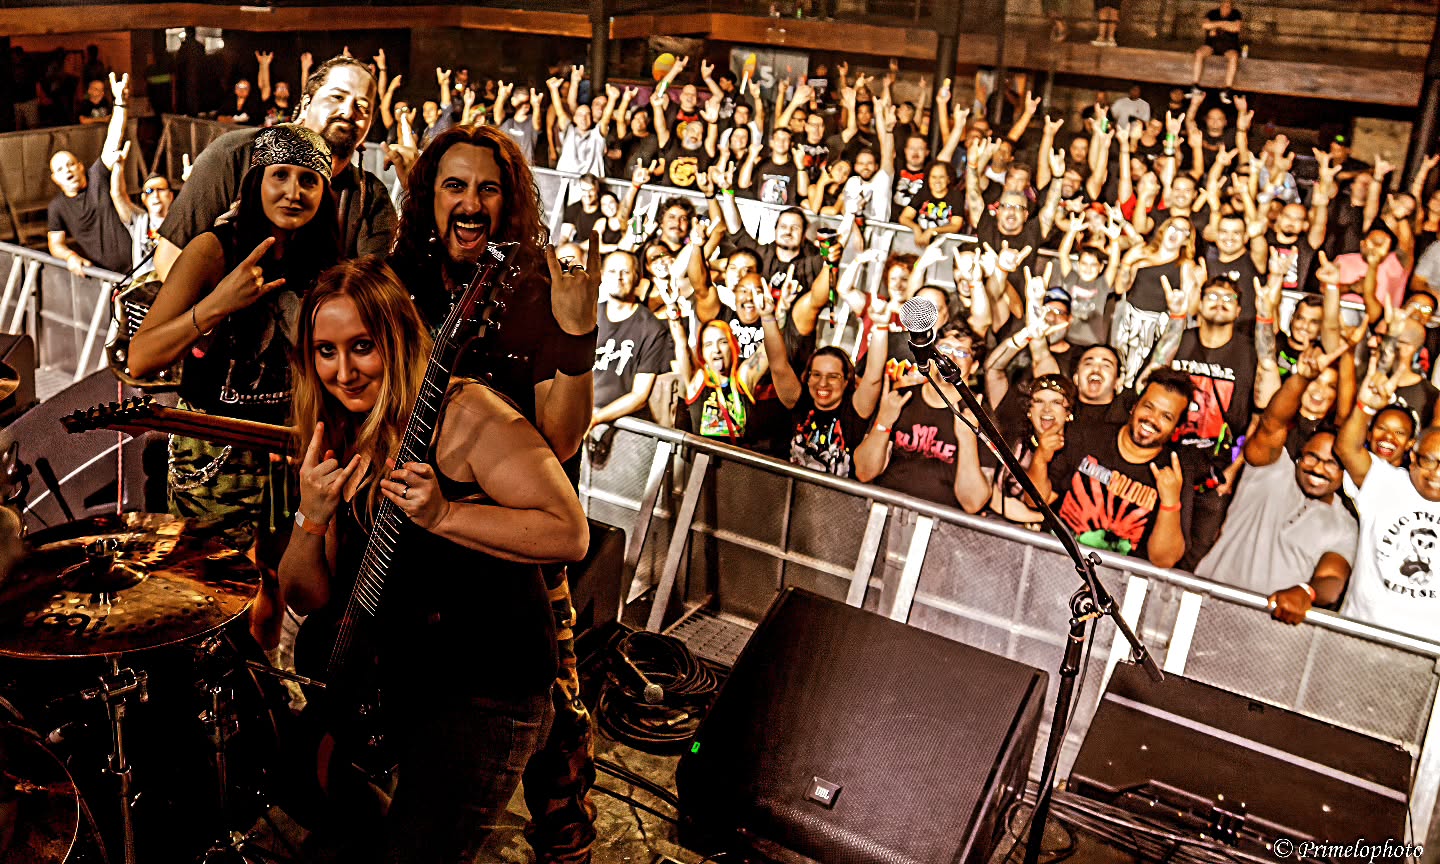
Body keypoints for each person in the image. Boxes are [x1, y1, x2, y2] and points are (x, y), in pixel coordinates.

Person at [278, 257, 588, 862]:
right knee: (298, 782)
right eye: (325, 351)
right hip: (404, 679)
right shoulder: (341, 427)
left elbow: (568, 533)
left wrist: (445, 515)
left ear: (396, 338)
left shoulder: (467, 413)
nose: (344, 371)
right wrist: (311, 516)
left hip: (489, 692)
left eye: (362, 346)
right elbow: (306, 596)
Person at [385, 123, 601, 864]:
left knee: (556, 719)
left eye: (488, 188)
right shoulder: (401, 281)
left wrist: (577, 334)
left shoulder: (537, 287)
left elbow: (562, 439)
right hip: (421, 537)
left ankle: (563, 839)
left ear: (510, 203)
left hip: (521, 546)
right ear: (429, 197)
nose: (471, 202)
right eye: (454, 185)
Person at [127, 124, 340, 649]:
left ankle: (263, 679)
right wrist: (219, 303)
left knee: (274, 578)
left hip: (287, 449)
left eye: (308, 180)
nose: (293, 192)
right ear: (255, 182)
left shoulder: (325, 259)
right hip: (212, 452)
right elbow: (142, 356)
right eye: (280, 176)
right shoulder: (213, 248)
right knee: (210, 592)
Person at [155, 54, 395, 282]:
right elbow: (171, 258)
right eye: (337, 97)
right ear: (306, 104)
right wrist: (217, 308)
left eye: (362, 107)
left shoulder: (370, 197)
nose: (348, 111)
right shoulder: (236, 154)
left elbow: (374, 290)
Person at [1197, 345, 1356, 602]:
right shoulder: (1270, 471)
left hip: (1269, 623)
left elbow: (1333, 578)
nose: (1318, 468)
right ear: (1299, 456)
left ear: (1345, 471)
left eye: (1331, 463)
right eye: (1312, 457)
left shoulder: (1344, 524)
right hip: (1206, 601)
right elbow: (1271, 423)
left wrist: (1306, 593)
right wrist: (1301, 378)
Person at [1027, 369, 1194, 568]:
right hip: (1053, 563)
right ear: (1134, 407)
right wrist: (1040, 458)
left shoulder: (1175, 474)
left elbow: (1163, 560)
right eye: (1148, 407)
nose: (1152, 419)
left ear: (1176, 429)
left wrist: (1170, 502)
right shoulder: (1087, 435)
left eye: (1166, 416)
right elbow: (1034, 501)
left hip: (1114, 581)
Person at [1330, 365, 1440, 641]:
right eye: (1429, 461)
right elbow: (1347, 448)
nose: (1437, 473)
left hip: (1426, 651)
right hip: (1359, 636)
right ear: (1413, 457)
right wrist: (1365, 407)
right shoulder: (1385, 482)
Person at [47, 72, 133, 276]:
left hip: (139, 264)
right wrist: (70, 256)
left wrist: (120, 104)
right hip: (106, 278)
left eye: (70, 165)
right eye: (60, 169)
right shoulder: (57, 207)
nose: (67, 170)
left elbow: (113, 139)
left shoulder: (97, 176)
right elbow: (55, 243)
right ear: (55, 179)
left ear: (80, 167)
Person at [591, 251, 671, 427]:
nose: (618, 277)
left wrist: (595, 419)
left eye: (625, 272)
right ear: (602, 276)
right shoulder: (587, 315)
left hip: (621, 422)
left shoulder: (652, 329)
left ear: (637, 278)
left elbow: (639, 395)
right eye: (612, 271)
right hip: (578, 410)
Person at [1191, 0, 1243, 102]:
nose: (1226, 8)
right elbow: (1205, 25)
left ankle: (1227, 88)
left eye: (1228, 6)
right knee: (1199, 53)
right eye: (1224, 6)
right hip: (1212, 45)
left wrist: (1216, 25)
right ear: (1221, 5)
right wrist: (1225, 24)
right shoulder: (1212, 13)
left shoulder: (1236, 14)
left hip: (1229, 46)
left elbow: (1236, 28)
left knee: (1234, 57)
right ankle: (1195, 84)